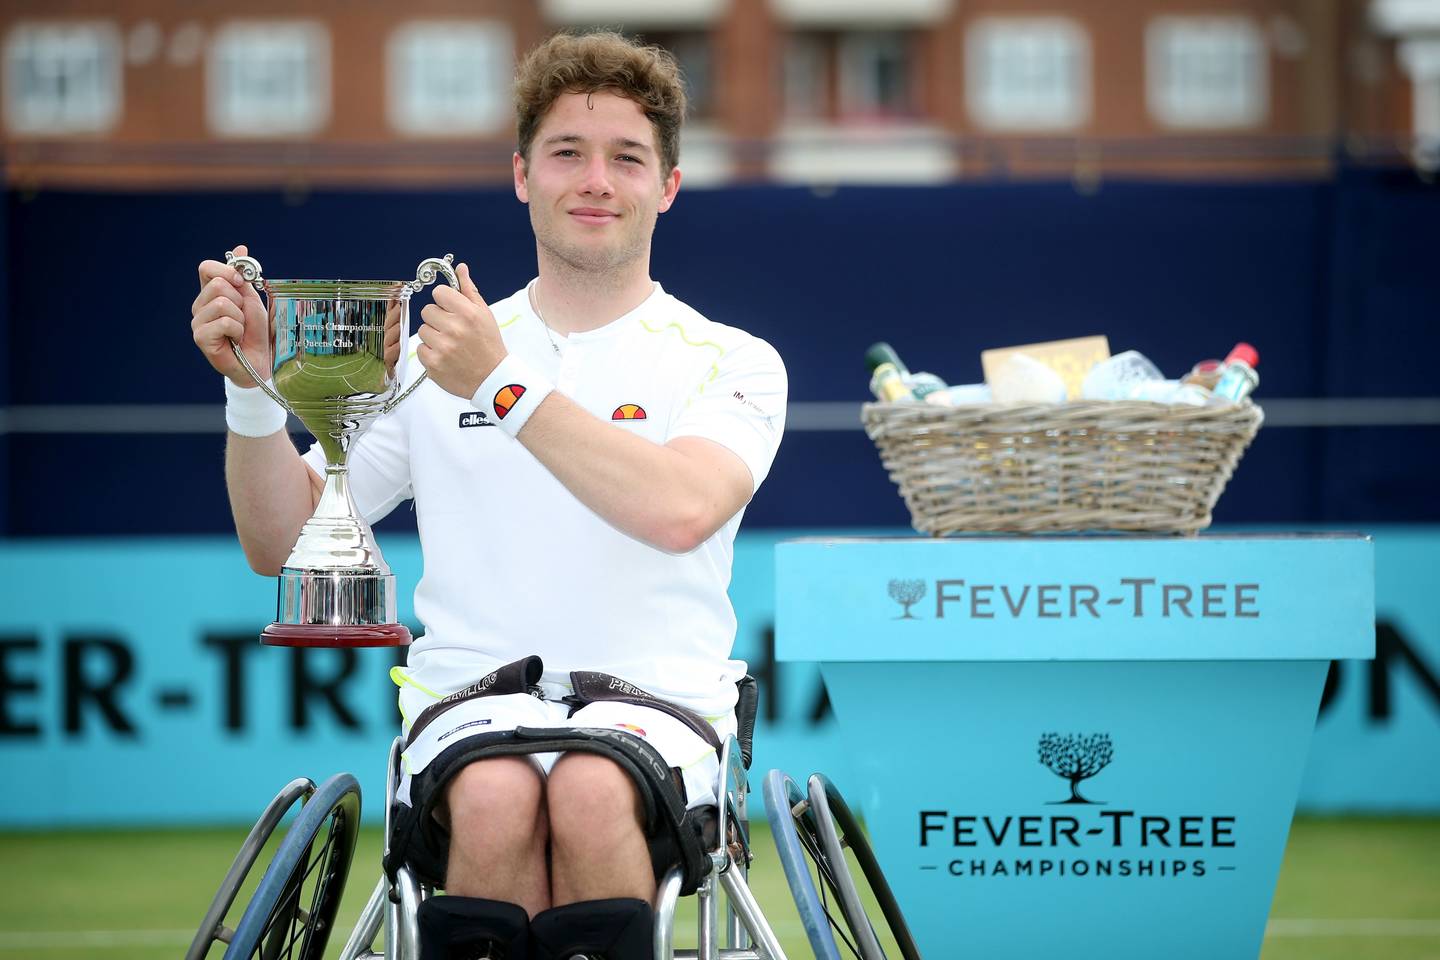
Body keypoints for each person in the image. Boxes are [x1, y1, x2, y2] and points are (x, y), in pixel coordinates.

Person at [189, 30, 787, 960]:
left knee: (589, 789)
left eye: (627, 158)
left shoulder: (732, 358)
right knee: (497, 792)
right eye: (566, 154)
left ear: (666, 185)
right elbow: (280, 543)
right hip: (467, 706)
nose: (596, 180)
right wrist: (253, 392)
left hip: (659, 710)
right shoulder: (438, 356)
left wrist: (503, 387)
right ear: (521, 175)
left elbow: (681, 510)